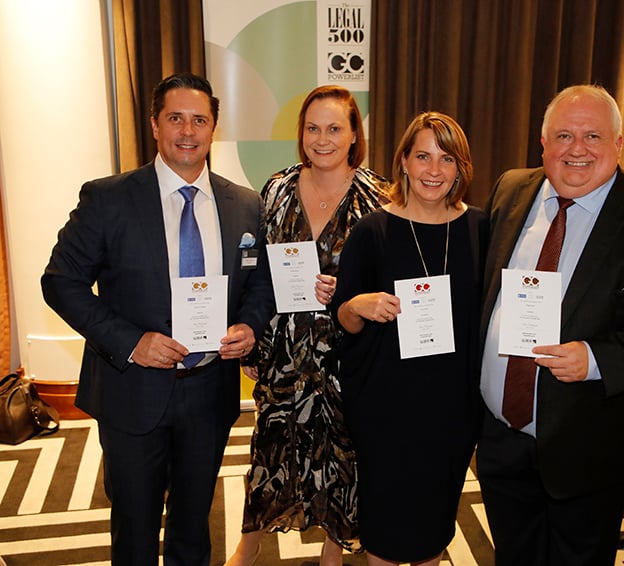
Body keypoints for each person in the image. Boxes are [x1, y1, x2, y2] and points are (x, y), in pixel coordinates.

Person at [477, 84, 624, 565]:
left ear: (618, 144)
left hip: (592, 447)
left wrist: (597, 359)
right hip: (501, 438)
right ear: (543, 143)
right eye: (564, 135)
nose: (577, 149)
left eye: (593, 136)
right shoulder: (511, 189)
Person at [41, 73, 275, 565]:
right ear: (154, 124)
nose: (188, 132)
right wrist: (131, 342)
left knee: (194, 525)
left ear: (213, 129)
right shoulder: (108, 198)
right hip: (132, 391)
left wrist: (250, 327)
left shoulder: (245, 205)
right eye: (175, 119)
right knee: (135, 528)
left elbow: (260, 284)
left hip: (209, 392)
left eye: (199, 120)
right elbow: (60, 282)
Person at [225, 85, 389, 566]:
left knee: (343, 454)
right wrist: (254, 345)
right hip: (284, 349)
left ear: (354, 134)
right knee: (271, 447)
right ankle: (250, 541)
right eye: (313, 128)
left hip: (348, 351)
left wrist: (350, 291)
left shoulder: (379, 197)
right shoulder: (276, 189)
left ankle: (333, 549)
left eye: (335, 128)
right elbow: (256, 272)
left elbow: (387, 278)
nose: (322, 139)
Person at [332, 112, 488, 565]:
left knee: (433, 525)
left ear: (460, 168)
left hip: (453, 411)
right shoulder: (373, 232)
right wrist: (357, 306)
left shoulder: (481, 229)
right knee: (383, 528)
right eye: (423, 156)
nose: (433, 170)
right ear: (403, 161)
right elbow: (342, 319)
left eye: (446, 158)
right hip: (385, 409)